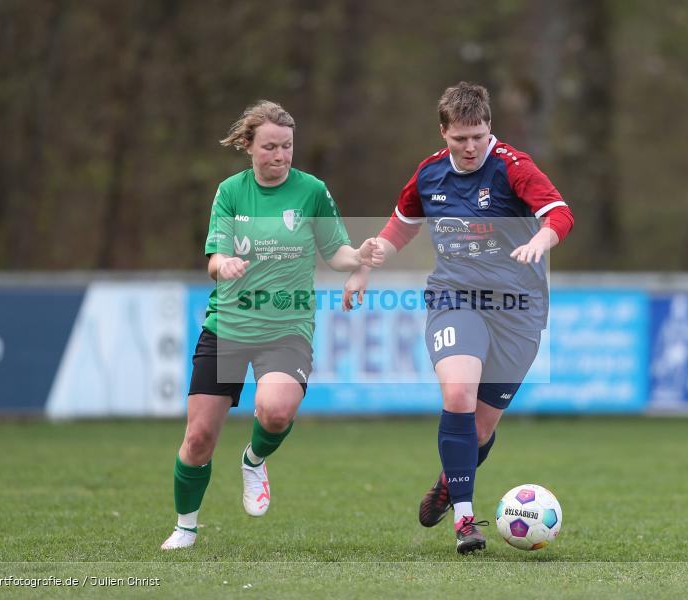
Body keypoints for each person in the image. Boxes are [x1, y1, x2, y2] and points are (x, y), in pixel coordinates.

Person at [343, 82, 574, 554]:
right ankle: (466, 520)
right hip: (455, 298)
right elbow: (401, 226)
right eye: (460, 139)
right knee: (458, 392)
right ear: (443, 131)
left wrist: (541, 240)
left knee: (481, 429)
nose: (470, 148)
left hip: (517, 309)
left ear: (490, 128)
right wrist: (369, 262)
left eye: (479, 136)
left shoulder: (513, 167)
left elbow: (560, 213)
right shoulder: (429, 175)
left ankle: (451, 482)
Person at [162, 100, 383, 550]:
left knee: (276, 411)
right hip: (228, 326)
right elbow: (214, 259)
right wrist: (224, 265)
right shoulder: (230, 192)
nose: (280, 156)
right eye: (269, 147)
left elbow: (335, 251)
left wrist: (357, 257)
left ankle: (254, 459)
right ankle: (185, 527)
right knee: (200, 437)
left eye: (287, 147)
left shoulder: (312, 191)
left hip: (287, 327)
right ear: (248, 146)